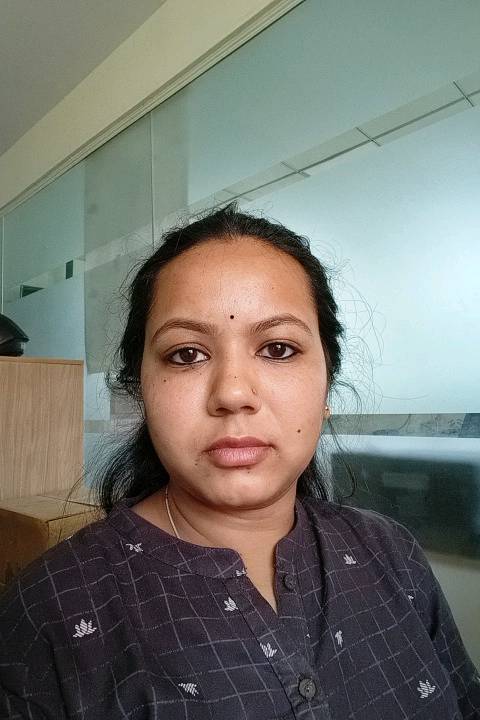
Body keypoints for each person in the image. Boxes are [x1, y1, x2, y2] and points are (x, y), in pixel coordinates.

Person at [0, 203, 478, 719]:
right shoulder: (51, 610)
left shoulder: (390, 553)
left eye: (278, 349)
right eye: (187, 354)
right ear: (142, 391)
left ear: (327, 383)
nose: (232, 393)